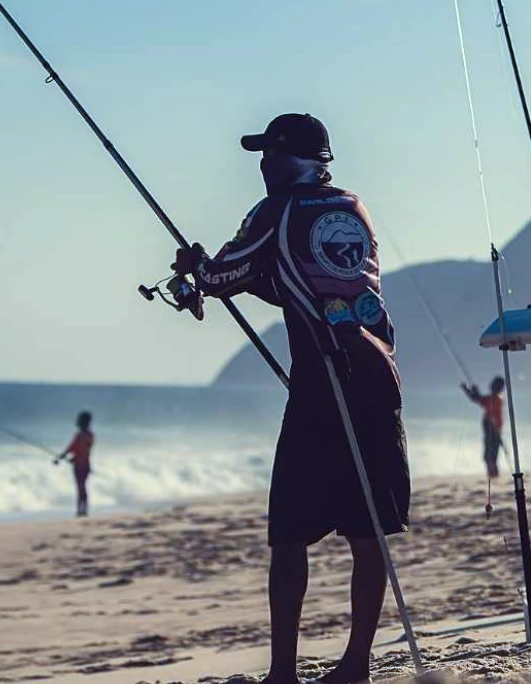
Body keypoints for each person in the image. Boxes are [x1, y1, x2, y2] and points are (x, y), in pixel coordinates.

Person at [171, 113, 409, 684]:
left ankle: (283, 672)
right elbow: (309, 282)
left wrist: (194, 268)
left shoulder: (276, 210)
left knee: (288, 532)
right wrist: (248, 278)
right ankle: (356, 665)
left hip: (323, 385)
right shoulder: (352, 207)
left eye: (269, 155)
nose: (262, 165)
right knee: (368, 530)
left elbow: (222, 276)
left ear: (292, 160)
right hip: (378, 377)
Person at [461, 377, 506, 479]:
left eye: (494, 385)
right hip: (493, 432)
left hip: (493, 432)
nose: (491, 386)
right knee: (490, 457)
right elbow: (479, 399)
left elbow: (479, 399)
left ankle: (493, 477)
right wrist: (472, 391)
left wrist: (471, 391)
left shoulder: (495, 400)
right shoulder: (495, 399)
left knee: (490, 457)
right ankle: (493, 476)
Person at [54, 411, 94, 517]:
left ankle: (80, 510)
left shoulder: (79, 435)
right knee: (83, 487)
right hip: (86, 464)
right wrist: (73, 458)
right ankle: (84, 509)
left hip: (79, 466)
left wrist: (60, 458)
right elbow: (83, 450)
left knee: (80, 487)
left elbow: (71, 448)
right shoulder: (90, 435)